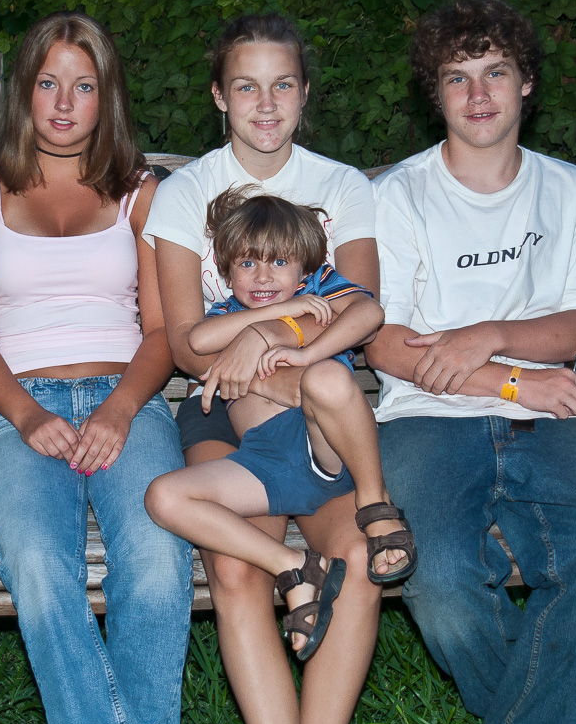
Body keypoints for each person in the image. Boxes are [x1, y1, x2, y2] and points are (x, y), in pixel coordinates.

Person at [366, 0, 576, 724]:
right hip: (424, 418)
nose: (477, 95)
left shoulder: (565, 189)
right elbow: (385, 345)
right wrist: (510, 378)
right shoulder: (395, 195)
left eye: (494, 72)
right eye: (456, 77)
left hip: (552, 416)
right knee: (436, 581)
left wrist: (486, 332)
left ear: (525, 81)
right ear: (433, 92)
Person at [0, 12, 192, 724]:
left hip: (128, 400)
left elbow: (161, 331)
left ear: (104, 97)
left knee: (153, 562)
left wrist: (119, 409)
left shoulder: (142, 191)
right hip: (18, 407)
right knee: (40, 571)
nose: (62, 104)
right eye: (48, 84)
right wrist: (24, 415)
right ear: (24, 92)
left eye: (82, 87)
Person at [143, 13, 384, 724]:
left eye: (282, 85)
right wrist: (253, 339)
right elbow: (187, 349)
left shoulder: (339, 186)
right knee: (236, 570)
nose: (266, 103)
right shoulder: (186, 192)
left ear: (304, 93)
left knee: (361, 557)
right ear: (219, 96)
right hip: (221, 406)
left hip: (318, 401)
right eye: (246, 86)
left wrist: (268, 333)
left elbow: (355, 306)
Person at [146, 188, 415, 660]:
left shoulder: (322, 291)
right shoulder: (233, 313)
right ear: (228, 273)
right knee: (163, 496)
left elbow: (370, 312)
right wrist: (275, 315)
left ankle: (375, 503)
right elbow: (199, 338)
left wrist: (308, 352)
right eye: (247, 264)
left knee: (327, 377)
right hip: (264, 464)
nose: (263, 276)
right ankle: (294, 567)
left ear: (308, 270)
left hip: (323, 444)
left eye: (279, 263)